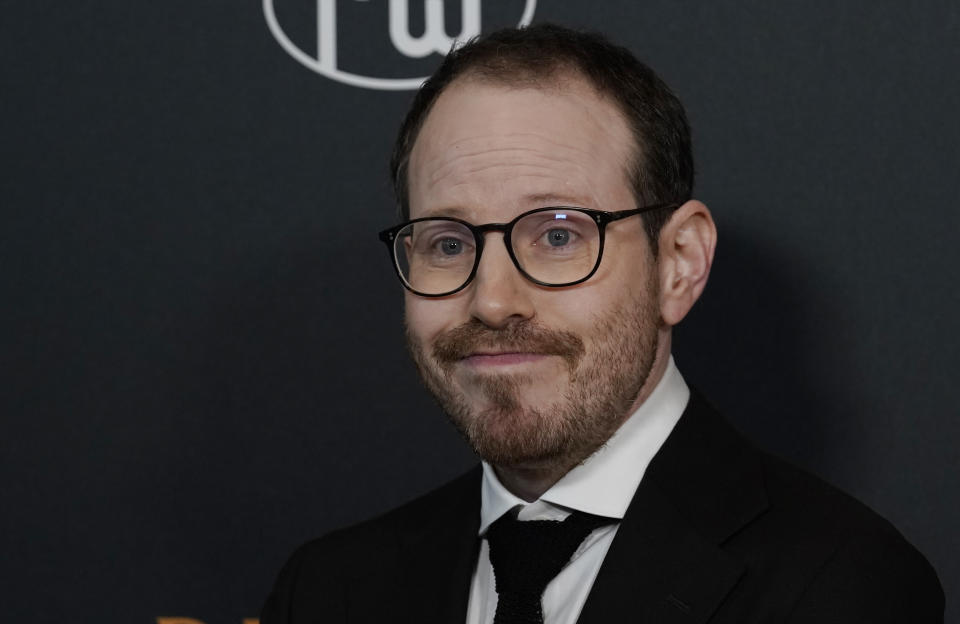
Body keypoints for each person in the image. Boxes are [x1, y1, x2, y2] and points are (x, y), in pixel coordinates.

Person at [261, 24, 944, 623]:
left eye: (558, 235)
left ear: (677, 263)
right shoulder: (327, 591)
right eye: (448, 243)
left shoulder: (840, 585)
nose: (493, 301)